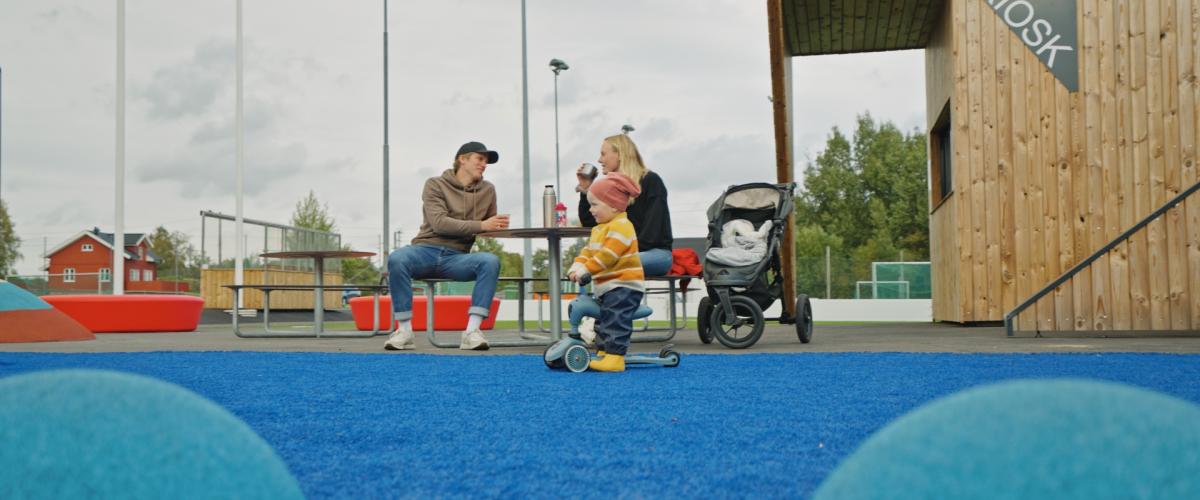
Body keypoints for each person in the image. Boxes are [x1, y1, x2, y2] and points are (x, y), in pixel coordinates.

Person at [383, 141, 509, 351]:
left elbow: (488, 226)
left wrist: (497, 227)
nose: (484, 164)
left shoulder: (488, 190)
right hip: (425, 250)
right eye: (480, 159)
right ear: (463, 159)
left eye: (486, 161)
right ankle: (404, 331)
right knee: (397, 258)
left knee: (490, 261)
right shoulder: (434, 184)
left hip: (457, 257)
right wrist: (482, 225)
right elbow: (439, 223)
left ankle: (472, 331)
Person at [567, 173, 645, 372]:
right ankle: (603, 351)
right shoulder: (599, 229)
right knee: (602, 318)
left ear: (613, 205)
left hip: (624, 285)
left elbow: (608, 256)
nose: (590, 210)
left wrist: (586, 270)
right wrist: (576, 267)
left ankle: (615, 357)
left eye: (595, 204)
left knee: (615, 317)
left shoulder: (622, 226)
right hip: (608, 287)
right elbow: (588, 252)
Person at [575, 134, 673, 276]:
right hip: (622, 252)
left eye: (603, 154)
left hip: (655, 253)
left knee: (601, 266)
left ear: (620, 154)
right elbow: (589, 222)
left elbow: (652, 233)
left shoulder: (651, 181)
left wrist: (616, 253)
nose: (599, 160)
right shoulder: (610, 187)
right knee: (586, 267)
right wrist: (586, 189)